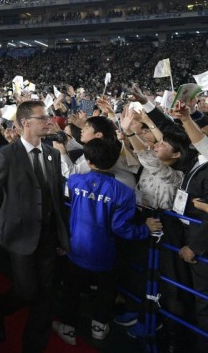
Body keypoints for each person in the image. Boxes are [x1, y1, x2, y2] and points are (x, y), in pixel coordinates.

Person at [0, 100, 70, 352]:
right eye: (42, 118)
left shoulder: (53, 155)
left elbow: (55, 199)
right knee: (26, 291)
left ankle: (33, 347)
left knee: (45, 295)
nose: (49, 121)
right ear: (25, 123)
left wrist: (62, 236)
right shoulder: (6, 156)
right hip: (19, 236)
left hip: (48, 236)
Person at [51, 139, 162, 345]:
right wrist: (144, 229)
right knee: (105, 290)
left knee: (71, 290)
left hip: (77, 248)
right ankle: (99, 327)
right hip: (106, 251)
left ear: (88, 161)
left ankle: (68, 329)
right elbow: (121, 228)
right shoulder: (124, 192)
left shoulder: (75, 181)